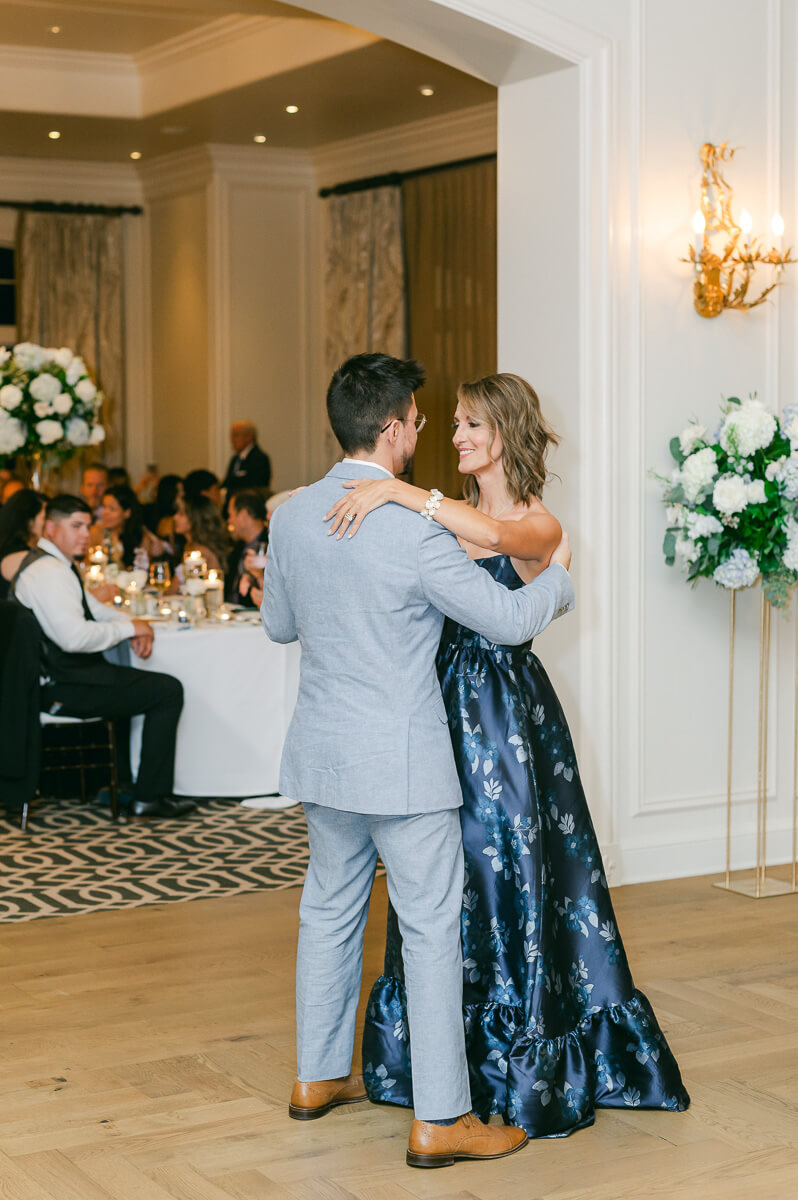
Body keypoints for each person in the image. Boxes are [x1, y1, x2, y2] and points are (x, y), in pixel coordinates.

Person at [328, 372, 691, 1137]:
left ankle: (518, 1060)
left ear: (505, 432)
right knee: (438, 880)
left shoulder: (538, 524)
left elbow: (497, 542)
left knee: (508, 870)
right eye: (452, 424)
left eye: (468, 425)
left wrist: (398, 494)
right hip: (431, 714)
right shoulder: (437, 515)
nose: (455, 436)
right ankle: (439, 1061)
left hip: (502, 722)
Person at [261, 352, 574, 1169]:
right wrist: (562, 585)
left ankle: (318, 1077)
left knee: (327, 910)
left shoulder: (292, 515)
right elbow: (506, 622)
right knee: (431, 928)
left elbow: (279, 627)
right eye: (421, 420)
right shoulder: (414, 528)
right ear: (396, 426)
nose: (426, 433)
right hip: (401, 761)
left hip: (322, 753)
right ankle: (442, 1118)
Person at [10, 494, 193, 819]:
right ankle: (148, 796)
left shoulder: (53, 565)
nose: (85, 534)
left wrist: (135, 625)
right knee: (167, 690)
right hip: (62, 687)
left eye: (87, 526)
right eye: (76, 526)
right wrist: (130, 630)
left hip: (69, 678)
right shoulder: (49, 573)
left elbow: (96, 610)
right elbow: (74, 637)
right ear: (50, 528)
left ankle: (125, 782)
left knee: (139, 680)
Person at [89, 484, 165, 567]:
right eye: (104, 506)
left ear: (127, 513)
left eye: (112, 509)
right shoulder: (95, 532)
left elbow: (144, 570)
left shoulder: (141, 537)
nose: (105, 513)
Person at [0, 489, 46, 601]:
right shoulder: (21, 556)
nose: (50, 523)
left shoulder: (7, 545)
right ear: (29, 522)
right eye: (45, 518)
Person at [226, 490, 267, 606]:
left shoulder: (271, 545)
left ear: (243, 515)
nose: (229, 521)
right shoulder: (237, 548)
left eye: (230, 515)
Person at [173, 494, 230, 574]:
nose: (175, 517)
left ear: (195, 519)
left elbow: (177, 584)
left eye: (181, 514)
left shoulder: (199, 551)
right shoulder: (192, 545)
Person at [222, 420, 271, 504]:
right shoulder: (235, 459)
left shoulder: (260, 458)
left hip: (249, 505)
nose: (232, 440)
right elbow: (227, 483)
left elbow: (256, 487)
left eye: (236, 435)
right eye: (232, 435)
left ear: (249, 437)